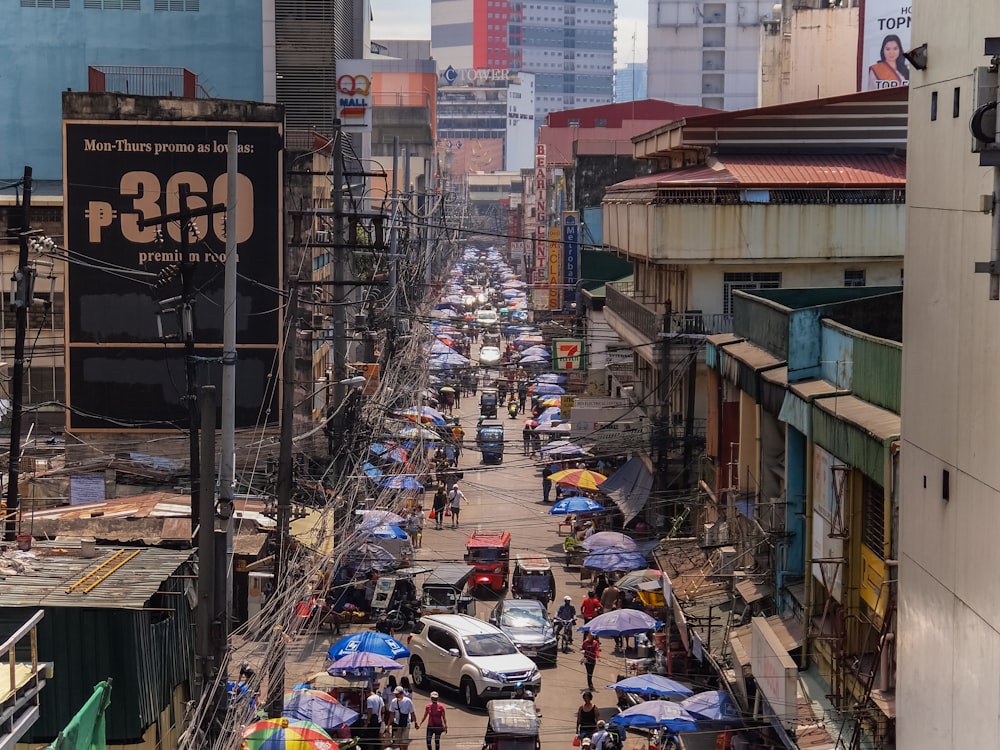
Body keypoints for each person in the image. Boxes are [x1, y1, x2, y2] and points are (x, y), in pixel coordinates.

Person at [390, 685, 417, 750]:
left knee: (404, 741)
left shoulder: (408, 701)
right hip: (397, 724)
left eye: (397, 694)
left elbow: (412, 712)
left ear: (401, 693)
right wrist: (389, 725)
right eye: (395, 694)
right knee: (399, 741)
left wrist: (416, 722)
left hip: (406, 724)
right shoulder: (393, 702)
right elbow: (392, 714)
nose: (396, 695)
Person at [365, 682, 385, 750]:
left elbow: (369, 712)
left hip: (372, 721)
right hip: (378, 721)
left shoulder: (369, 699)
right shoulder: (380, 698)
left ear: (367, 693)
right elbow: (383, 710)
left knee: (369, 737)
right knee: (376, 737)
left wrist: (366, 722)